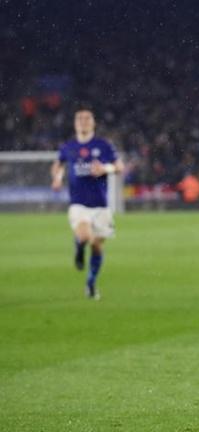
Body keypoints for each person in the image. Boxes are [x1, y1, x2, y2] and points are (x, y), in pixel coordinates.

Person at [50, 108, 124, 299]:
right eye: (79, 118)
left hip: (101, 205)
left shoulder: (103, 145)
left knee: (97, 247)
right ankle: (79, 246)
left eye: (87, 118)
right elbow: (58, 164)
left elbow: (120, 167)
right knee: (84, 236)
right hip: (79, 204)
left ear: (93, 122)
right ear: (75, 124)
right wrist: (57, 178)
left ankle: (91, 284)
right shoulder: (68, 147)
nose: (83, 121)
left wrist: (105, 168)